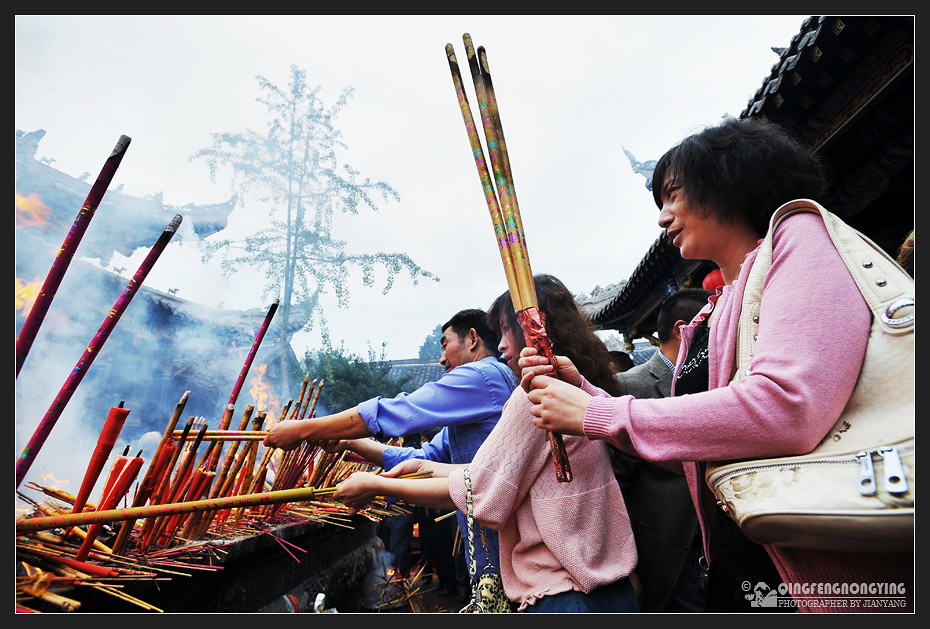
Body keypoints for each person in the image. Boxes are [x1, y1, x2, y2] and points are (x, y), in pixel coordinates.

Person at [520, 117, 913, 613]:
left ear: (730, 177)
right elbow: (700, 425)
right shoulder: (720, 303)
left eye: (674, 195)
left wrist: (598, 415)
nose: (663, 218)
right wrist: (588, 393)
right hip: (745, 557)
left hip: (819, 564)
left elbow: (784, 408)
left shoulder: (801, 238)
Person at [334, 275, 640, 613]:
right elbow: (492, 474)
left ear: (534, 329)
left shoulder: (536, 395)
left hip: (563, 594)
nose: (503, 346)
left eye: (507, 330)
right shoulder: (580, 388)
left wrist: (375, 484)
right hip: (609, 590)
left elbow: (480, 490)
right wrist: (425, 466)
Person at [264, 308, 516, 583]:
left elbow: (398, 411)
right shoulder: (472, 405)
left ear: (472, 339)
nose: (442, 359)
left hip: (509, 549)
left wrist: (301, 429)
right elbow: (425, 458)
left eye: (445, 345)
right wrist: (352, 443)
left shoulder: (484, 375)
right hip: (491, 548)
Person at [610, 286, 752, 613]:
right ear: (684, 329)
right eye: (713, 325)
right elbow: (616, 484)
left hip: (723, 538)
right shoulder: (632, 386)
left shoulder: (718, 380)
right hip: (668, 546)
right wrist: (625, 564)